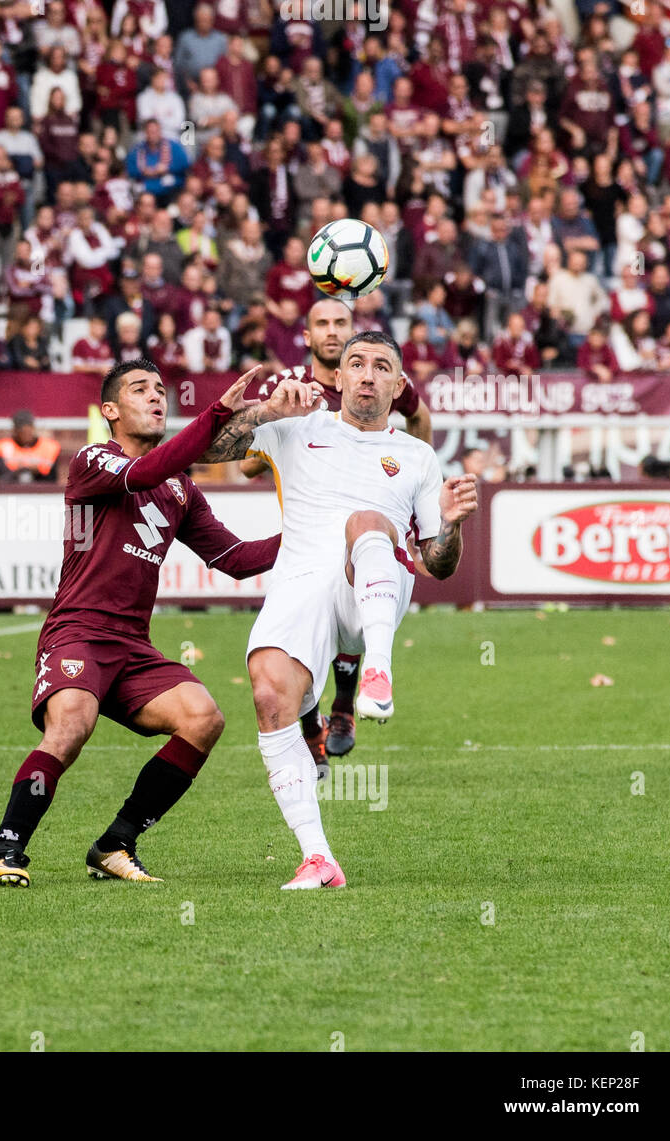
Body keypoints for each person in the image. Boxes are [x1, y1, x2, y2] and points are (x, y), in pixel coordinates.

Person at [0, 361, 285, 887]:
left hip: (132, 646)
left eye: (161, 390)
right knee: (71, 724)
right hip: (77, 632)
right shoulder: (93, 460)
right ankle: (8, 853)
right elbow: (142, 473)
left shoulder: (180, 490)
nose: (156, 397)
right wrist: (216, 416)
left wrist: (308, 537)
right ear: (110, 411)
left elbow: (234, 556)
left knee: (204, 718)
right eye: (140, 390)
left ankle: (116, 844)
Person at [197, 331, 479, 890]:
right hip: (301, 583)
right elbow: (205, 451)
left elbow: (438, 565)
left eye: (381, 366)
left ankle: (377, 669)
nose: (367, 374)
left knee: (366, 523)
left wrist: (448, 525)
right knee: (269, 692)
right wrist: (265, 410)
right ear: (340, 377)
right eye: (356, 364)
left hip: (374, 582)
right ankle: (318, 859)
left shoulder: (418, 456)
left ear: (399, 385)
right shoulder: (299, 427)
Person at [240, 296, 433, 760]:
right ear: (306, 337)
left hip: (366, 529)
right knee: (298, 640)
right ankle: (312, 723)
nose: (331, 330)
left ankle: (344, 705)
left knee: (359, 580)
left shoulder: (381, 377)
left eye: (340, 323)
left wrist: (411, 481)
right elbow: (247, 463)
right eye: (322, 323)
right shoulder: (292, 389)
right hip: (305, 528)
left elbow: (420, 421)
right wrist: (280, 421)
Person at [0, 410, 60, 483]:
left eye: (28, 429)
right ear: (15, 430)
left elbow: (52, 479)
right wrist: (18, 471)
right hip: (11, 489)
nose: (25, 434)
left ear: (33, 428)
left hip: (40, 488)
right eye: (21, 431)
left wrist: (38, 470)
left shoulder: (49, 447)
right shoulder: (2, 446)